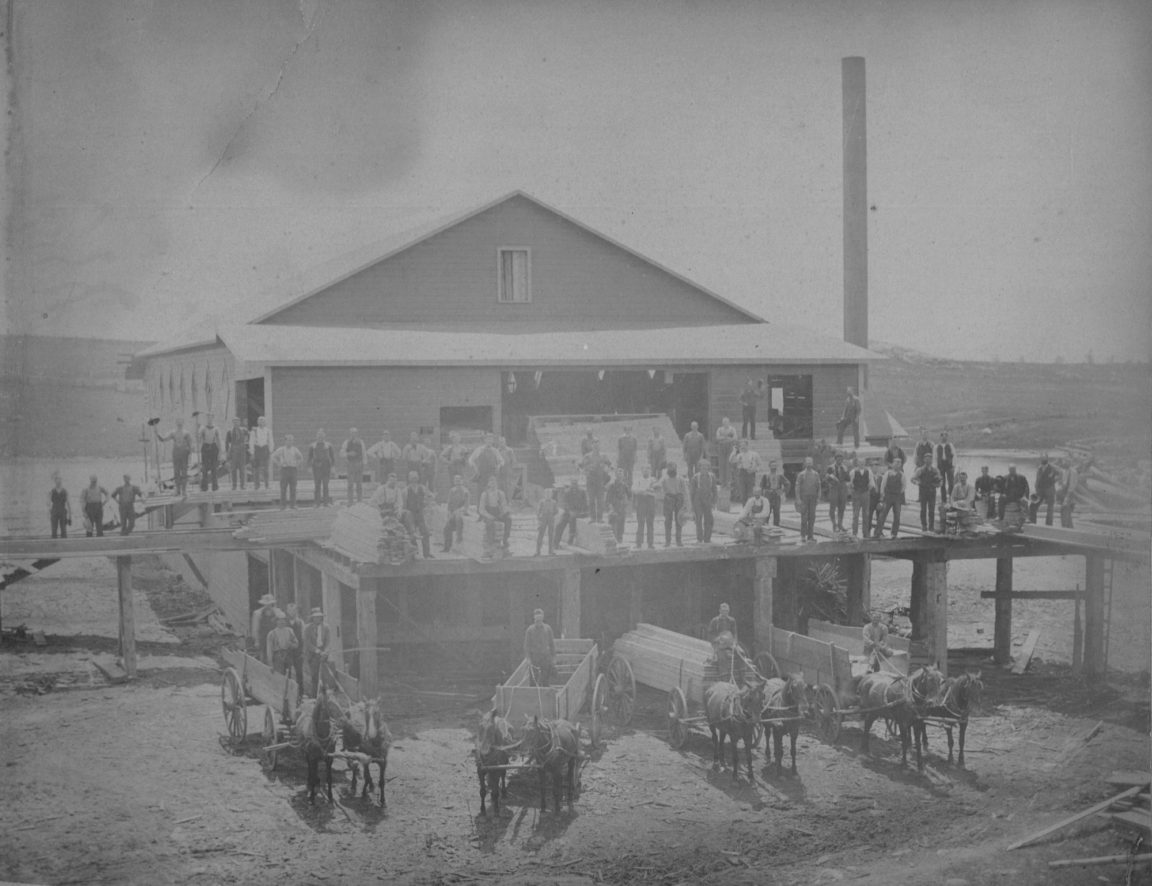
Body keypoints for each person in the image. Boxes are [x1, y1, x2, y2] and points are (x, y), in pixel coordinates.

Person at [155, 418, 194, 496]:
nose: (179, 423)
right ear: (176, 423)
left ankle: (184, 490)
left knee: (184, 473)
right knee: (176, 472)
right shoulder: (173, 433)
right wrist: (157, 434)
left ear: (183, 423)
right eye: (178, 422)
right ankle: (177, 490)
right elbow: (163, 439)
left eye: (181, 422)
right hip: (176, 454)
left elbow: (190, 446)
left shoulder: (187, 433)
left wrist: (190, 456)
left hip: (184, 454)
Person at [403, 470, 434, 558]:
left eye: (415, 476)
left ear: (418, 478)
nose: (414, 478)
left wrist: (426, 504)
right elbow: (404, 504)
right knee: (412, 534)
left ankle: (426, 553)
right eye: (412, 477)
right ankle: (414, 553)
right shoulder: (405, 490)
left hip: (420, 514)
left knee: (426, 533)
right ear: (409, 479)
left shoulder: (423, 488)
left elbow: (430, 497)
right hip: (411, 515)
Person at [477, 475, 511, 557]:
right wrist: (489, 516)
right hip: (488, 513)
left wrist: (504, 512)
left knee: (508, 519)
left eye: (494, 482)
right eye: (491, 482)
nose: (493, 484)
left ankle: (505, 541)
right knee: (490, 524)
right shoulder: (485, 494)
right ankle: (490, 546)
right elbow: (481, 509)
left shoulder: (500, 493)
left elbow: (504, 505)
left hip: (498, 513)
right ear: (488, 484)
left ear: (497, 483)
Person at [873, 459, 907, 538]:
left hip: (897, 497)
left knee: (897, 516)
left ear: (900, 465)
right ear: (892, 464)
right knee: (883, 515)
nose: (897, 465)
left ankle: (894, 533)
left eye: (899, 464)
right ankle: (878, 532)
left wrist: (897, 493)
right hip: (887, 497)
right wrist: (882, 495)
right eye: (895, 463)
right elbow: (883, 485)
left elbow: (904, 486)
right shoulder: (887, 473)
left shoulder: (902, 475)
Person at [302, 608, 331, 697]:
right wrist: (318, 651)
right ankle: (314, 696)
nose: (317, 619)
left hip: (323, 655)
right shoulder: (307, 628)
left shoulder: (326, 627)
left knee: (324, 676)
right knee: (315, 676)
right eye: (315, 617)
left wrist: (325, 652)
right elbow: (307, 643)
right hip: (313, 654)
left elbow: (328, 642)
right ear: (312, 618)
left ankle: (325, 696)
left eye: (319, 617)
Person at [553, 476, 588, 549]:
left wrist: (581, 511)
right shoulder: (567, 492)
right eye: (573, 483)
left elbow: (585, 503)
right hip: (568, 512)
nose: (574, 485)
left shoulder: (582, 492)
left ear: (577, 484)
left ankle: (571, 537)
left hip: (579, 512)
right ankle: (555, 543)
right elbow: (565, 503)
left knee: (573, 517)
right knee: (559, 525)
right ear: (571, 484)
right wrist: (569, 511)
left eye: (575, 483)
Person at [523, 609, 556, 686]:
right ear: (534, 619)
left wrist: (553, 658)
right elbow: (526, 646)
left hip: (545, 659)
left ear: (542, 619)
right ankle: (534, 696)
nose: (538, 622)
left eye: (540, 620)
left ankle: (545, 696)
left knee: (545, 681)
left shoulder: (548, 629)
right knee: (534, 680)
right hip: (535, 659)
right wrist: (528, 659)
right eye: (537, 620)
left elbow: (552, 645)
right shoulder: (530, 630)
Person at [271, 435, 304, 508]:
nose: (290, 442)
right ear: (285, 441)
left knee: (293, 488)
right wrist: (278, 464)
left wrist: (297, 464)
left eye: (291, 440)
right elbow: (273, 457)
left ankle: (293, 504)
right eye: (288, 440)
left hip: (293, 470)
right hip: (284, 470)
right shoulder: (281, 449)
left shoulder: (295, 449)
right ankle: (283, 505)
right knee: (283, 488)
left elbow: (301, 458)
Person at [794, 457, 821, 542]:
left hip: (813, 498)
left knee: (812, 517)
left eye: (810, 462)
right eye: (807, 462)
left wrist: (818, 498)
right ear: (805, 463)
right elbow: (797, 487)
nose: (809, 464)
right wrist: (798, 498)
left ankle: (810, 536)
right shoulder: (801, 474)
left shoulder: (816, 474)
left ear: (812, 463)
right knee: (804, 518)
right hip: (804, 498)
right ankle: (803, 536)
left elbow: (819, 487)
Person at [913, 452, 942, 532]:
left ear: (932, 460)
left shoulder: (935, 470)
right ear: (924, 460)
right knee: (923, 509)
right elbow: (913, 479)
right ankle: (924, 526)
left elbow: (940, 480)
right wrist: (918, 483)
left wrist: (938, 485)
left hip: (932, 491)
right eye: (926, 458)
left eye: (930, 459)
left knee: (932, 510)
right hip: (923, 491)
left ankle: (931, 527)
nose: (928, 460)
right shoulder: (920, 470)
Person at [661, 463, 688, 547]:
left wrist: (686, 503)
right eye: (670, 468)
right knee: (668, 521)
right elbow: (661, 489)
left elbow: (685, 491)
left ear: (676, 468)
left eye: (673, 468)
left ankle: (679, 541)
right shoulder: (664, 479)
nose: (671, 469)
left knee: (679, 521)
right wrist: (664, 497)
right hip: (669, 499)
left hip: (679, 499)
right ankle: (667, 541)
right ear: (668, 469)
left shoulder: (680, 478)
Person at [582, 442, 609, 523]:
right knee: (591, 500)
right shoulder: (587, 456)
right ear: (592, 447)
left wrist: (606, 470)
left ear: (600, 447)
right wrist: (587, 470)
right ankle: (593, 518)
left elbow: (610, 465)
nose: (596, 448)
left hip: (600, 481)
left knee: (600, 500)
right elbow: (582, 467)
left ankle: (600, 518)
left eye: (598, 446)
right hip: (591, 481)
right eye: (594, 446)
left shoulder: (603, 456)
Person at [632, 465, 658, 549]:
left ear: (650, 471)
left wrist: (646, 490)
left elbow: (656, 490)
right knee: (640, 523)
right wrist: (644, 490)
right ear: (641, 471)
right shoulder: (638, 480)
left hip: (650, 502)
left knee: (650, 523)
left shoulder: (653, 480)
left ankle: (650, 543)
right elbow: (634, 490)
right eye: (644, 469)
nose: (646, 471)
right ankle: (638, 543)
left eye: (648, 469)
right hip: (641, 502)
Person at [266, 610, 299, 676]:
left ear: (285, 621)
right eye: (279, 620)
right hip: (278, 657)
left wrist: (291, 645)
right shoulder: (272, 633)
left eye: (283, 620)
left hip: (288, 656)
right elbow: (269, 650)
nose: (281, 622)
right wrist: (271, 664)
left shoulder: (290, 631)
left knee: (290, 676)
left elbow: (296, 644)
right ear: (276, 621)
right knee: (280, 676)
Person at [307, 429, 335, 507]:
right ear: (316, 436)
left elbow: (332, 457)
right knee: (317, 485)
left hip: (326, 467)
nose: (320, 437)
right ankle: (317, 503)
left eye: (322, 435)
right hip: (316, 467)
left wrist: (333, 467)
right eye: (319, 435)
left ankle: (326, 503)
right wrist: (309, 467)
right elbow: (309, 457)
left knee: (326, 485)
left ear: (324, 436)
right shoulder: (312, 445)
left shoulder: (328, 445)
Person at [691, 461, 717, 543]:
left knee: (708, 519)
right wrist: (692, 504)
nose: (704, 469)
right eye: (702, 467)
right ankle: (699, 538)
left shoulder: (712, 477)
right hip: (698, 499)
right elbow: (692, 492)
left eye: (706, 468)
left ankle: (707, 538)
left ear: (708, 468)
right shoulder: (695, 477)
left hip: (708, 499)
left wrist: (714, 502)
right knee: (698, 519)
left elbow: (714, 490)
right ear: (700, 468)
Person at [443, 474, 470, 553]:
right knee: (446, 528)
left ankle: (459, 538)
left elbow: (466, 506)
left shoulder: (465, 491)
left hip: (460, 514)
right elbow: (449, 503)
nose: (457, 482)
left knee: (458, 518)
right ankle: (447, 547)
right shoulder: (452, 491)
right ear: (454, 481)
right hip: (453, 514)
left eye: (459, 480)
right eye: (456, 480)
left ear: (462, 481)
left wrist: (459, 511)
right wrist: (448, 512)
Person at [825, 451, 851, 533]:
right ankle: (834, 524)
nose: (840, 461)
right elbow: (826, 479)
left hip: (842, 489)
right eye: (838, 459)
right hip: (834, 489)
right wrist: (831, 481)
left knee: (842, 508)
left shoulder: (844, 467)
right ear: (835, 459)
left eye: (841, 459)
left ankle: (840, 524)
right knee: (832, 508)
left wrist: (846, 472)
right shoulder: (830, 467)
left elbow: (848, 479)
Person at [284, 602, 307, 696]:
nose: (292, 613)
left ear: (296, 611)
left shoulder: (301, 623)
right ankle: (289, 694)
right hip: (288, 652)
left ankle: (300, 694)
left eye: (294, 611)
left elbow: (303, 637)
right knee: (288, 673)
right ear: (287, 612)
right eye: (290, 611)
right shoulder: (284, 623)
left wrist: (303, 651)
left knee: (299, 674)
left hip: (298, 652)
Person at [730, 439, 761, 505]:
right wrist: (734, 451)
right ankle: (744, 510)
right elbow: (731, 461)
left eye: (744, 445)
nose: (742, 447)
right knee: (743, 494)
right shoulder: (739, 455)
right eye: (741, 446)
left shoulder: (754, 454)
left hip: (751, 474)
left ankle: (751, 510)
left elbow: (759, 465)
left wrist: (755, 470)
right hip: (742, 474)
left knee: (750, 493)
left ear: (747, 445)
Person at [849, 455, 875, 538]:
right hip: (856, 495)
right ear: (857, 463)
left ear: (865, 463)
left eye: (863, 463)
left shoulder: (869, 471)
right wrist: (855, 492)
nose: (861, 464)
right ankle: (854, 533)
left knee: (866, 514)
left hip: (865, 494)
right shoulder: (853, 472)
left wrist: (866, 491)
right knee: (855, 515)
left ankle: (865, 533)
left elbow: (871, 483)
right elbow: (851, 484)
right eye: (860, 463)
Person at [198, 413, 224, 492]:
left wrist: (220, 452)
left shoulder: (216, 428)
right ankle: (204, 487)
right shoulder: (202, 428)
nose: (209, 419)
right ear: (206, 418)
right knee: (204, 469)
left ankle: (215, 486)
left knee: (214, 468)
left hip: (213, 448)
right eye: (208, 417)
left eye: (211, 417)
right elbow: (199, 439)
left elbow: (219, 440)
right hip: (205, 448)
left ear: (213, 418)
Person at [250, 593, 279, 664]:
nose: (268, 606)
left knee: (276, 658)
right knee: (264, 658)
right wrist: (257, 641)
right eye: (266, 604)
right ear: (263, 604)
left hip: (274, 639)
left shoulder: (277, 612)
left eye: (270, 604)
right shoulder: (258, 614)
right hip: (263, 639)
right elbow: (255, 629)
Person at [605, 467, 631, 543]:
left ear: (623, 475)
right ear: (615, 475)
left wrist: (626, 504)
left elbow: (630, 496)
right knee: (613, 527)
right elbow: (608, 499)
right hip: (614, 508)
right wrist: (611, 508)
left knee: (621, 527)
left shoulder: (625, 485)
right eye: (618, 473)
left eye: (621, 473)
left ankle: (620, 540)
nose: (620, 474)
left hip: (622, 509)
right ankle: (614, 541)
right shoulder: (612, 485)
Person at [1033, 454, 1060, 526]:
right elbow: (1037, 479)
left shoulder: (1052, 468)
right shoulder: (1039, 468)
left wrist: (1055, 480)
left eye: (1044, 459)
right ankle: (1033, 521)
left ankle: (1049, 524)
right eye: (1042, 459)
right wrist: (1036, 487)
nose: (1043, 460)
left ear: (1047, 459)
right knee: (1034, 504)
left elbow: (1060, 474)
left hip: (1049, 489)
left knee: (1050, 507)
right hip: (1040, 490)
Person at [342, 428, 367, 504]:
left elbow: (364, 453)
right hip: (350, 464)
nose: (353, 434)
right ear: (350, 434)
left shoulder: (361, 442)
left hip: (359, 464)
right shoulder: (346, 442)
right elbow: (341, 453)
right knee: (350, 484)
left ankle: (359, 500)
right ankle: (350, 501)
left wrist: (364, 463)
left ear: (357, 434)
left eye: (355, 433)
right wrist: (349, 454)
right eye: (352, 433)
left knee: (359, 483)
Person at [248, 416, 273, 490]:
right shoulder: (254, 431)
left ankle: (267, 485)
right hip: (257, 450)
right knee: (256, 469)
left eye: (263, 421)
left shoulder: (268, 431)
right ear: (257, 422)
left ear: (265, 422)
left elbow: (271, 441)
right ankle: (257, 485)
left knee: (266, 469)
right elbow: (251, 442)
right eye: (260, 421)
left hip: (265, 450)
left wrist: (270, 451)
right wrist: (252, 452)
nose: (261, 422)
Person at [760, 461, 786, 526]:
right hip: (768, 495)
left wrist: (782, 491)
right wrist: (761, 497)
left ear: (776, 467)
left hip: (776, 495)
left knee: (777, 512)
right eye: (772, 466)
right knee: (767, 512)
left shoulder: (779, 475)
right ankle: (765, 527)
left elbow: (788, 484)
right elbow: (761, 486)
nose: (773, 467)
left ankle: (776, 528)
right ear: (769, 466)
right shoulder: (765, 475)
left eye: (775, 466)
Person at [226, 417, 249, 490]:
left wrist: (246, 447)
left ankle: (242, 485)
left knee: (242, 469)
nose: (236, 423)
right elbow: (227, 443)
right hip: (233, 451)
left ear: (240, 422)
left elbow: (249, 437)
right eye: (234, 422)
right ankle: (234, 485)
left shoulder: (244, 430)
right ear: (232, 423)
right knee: (233, 469)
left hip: (242, 451)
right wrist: (228, 453)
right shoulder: (229, 431)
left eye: (237, 422)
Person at [535, 488, 558, 556]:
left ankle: (551, 551)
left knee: (551, 535)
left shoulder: (554, 502)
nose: (548, 495)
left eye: (549, 494)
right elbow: (538, 511)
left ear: (552, 495)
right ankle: (538, 551)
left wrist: (552, 514)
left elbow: (556, 511)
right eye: (547, 494)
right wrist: (539, 518)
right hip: (543, 518)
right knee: (541, 534)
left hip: (551, 518)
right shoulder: (541, 502)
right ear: (544, 495)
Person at [715, 417, 738, 487]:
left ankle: (728, 482)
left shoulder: (732, 429)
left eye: (727, 422)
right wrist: (727, 438)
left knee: (728, 464)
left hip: (729, 447)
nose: (725, 423)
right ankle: (722, 482)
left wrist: (724, 438)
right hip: (721, 448)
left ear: (729, 422)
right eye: (724, 422)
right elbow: (718, 438)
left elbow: (735, 438)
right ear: (722, 423)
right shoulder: (719, 429)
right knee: (722, 464)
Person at [48, 473, 71, 539]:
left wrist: (70, 516)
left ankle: (64, 545)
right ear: (55, 482)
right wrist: (49, 511)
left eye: (60, 481)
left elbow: (68, 503)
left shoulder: (65, 491)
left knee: (63, 530)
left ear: (61, 481)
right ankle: (53, 545)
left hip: (62, 511)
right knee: (54, 529)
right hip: (54, 510)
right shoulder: (52, 491)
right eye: (57, 481)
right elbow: (48, 503)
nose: (58, 482)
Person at [1058, 459, 1080, 528]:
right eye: (1064, 462)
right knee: (1065, 511)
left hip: (1069, 494)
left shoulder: (1073, 472)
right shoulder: (1064, 471)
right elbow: (1062, 483)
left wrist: (1067, 497)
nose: (1064, 463)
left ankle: (1065, 527)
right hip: (1064, 493)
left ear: (1069, 463)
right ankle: (1069, 527)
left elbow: (1072, 485)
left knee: (1065, 510)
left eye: (1066, 462)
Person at [935, 432, 957, 499]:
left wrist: (953, 466)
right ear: (940, 437)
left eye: (945, 436)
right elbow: (935, 458)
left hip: (949, 465)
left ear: (947, 437)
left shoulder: (950, 445)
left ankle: (951, 498)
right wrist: (936, 468)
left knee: (951, 483)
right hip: (940, 465)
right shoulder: (936, 446)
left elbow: (954, 456)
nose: (944, 438)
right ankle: (943, 499)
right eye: (942, 436)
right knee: (942, 483)